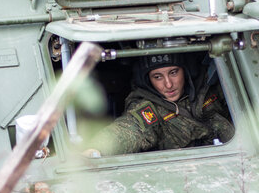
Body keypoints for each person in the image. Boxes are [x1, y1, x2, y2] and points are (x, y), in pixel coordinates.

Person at [90, 53, 234, 156]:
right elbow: (129, 130)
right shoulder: (149, 109)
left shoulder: (210, 86)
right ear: (148, 80)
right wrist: (96, 149)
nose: (168, 84)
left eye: (173, 72)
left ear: (186, 71)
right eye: (158, 77)